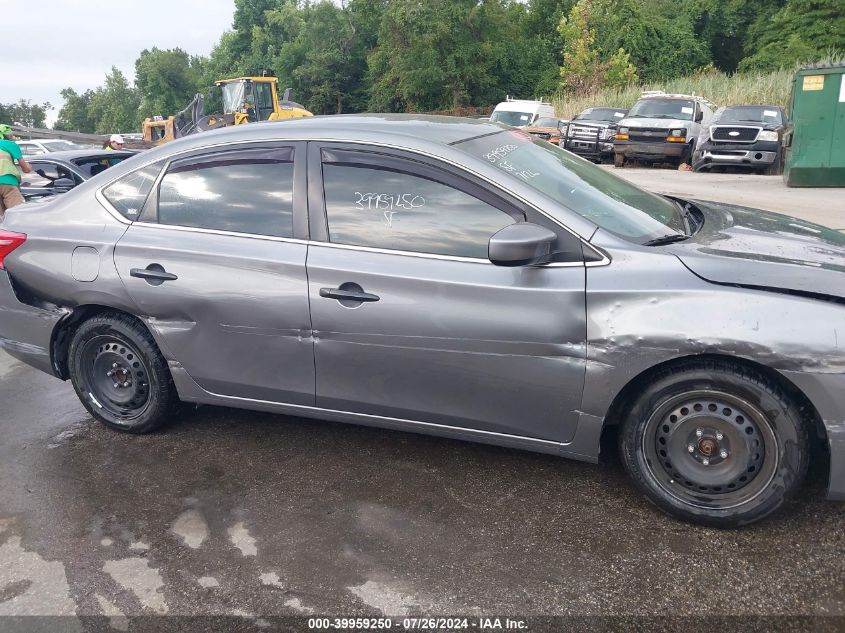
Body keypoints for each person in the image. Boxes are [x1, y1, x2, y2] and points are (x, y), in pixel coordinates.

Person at [0, 124, 32, 217]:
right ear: (8, 135)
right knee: (17, 215)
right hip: (7, 182)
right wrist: (29, 167)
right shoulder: (9, 144)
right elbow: (25, 169)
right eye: (11, 135)